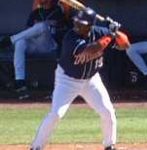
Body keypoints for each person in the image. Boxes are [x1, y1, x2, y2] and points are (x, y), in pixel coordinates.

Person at [30, 7, 130, 150]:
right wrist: (110, 34)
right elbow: (92, 49)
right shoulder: (71, 37)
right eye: (77, 22)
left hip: (91, 80)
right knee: (56, 114)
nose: (77, 25)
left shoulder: (99, 32)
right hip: (67, 80)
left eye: (81, 23)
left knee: (108, 111)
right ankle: (36, 147)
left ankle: (109, 145)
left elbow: (126, 44)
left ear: (90, 26)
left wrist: (116, 32)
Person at [0, 0, 74, 99]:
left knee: (42, 26)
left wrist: (66, 15)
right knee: (20, 42)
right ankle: (20, 81)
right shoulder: (35, 13)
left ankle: (10, 40)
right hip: (36, 45)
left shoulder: (59, 12)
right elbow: (27, 32)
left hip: (51, 45)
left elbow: (68, 31)